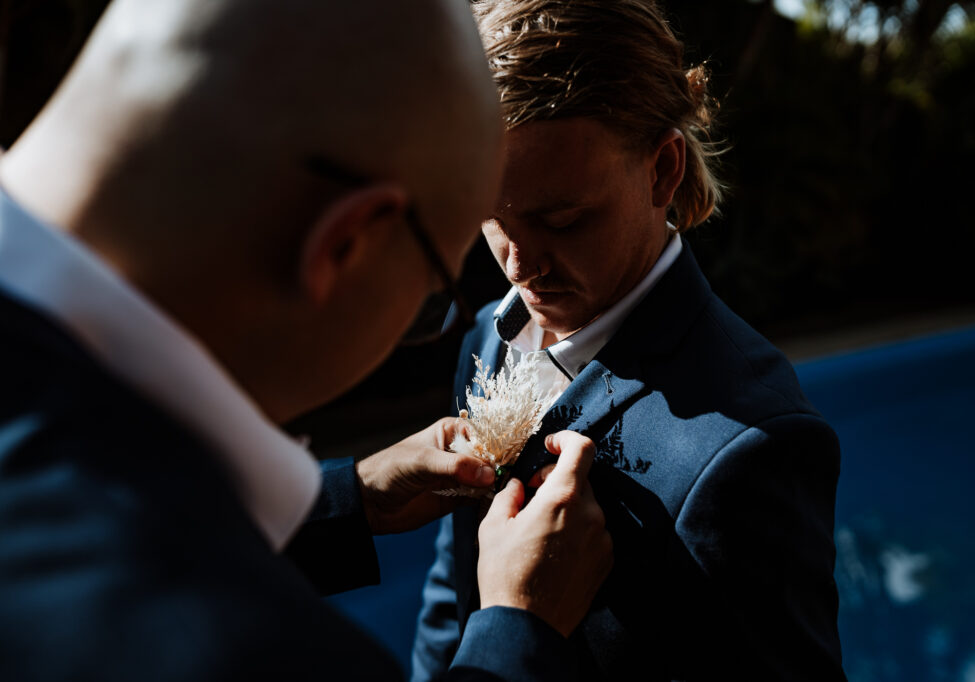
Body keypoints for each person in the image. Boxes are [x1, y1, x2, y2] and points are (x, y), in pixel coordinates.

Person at [0, 0, 613, 680]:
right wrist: (517, 638)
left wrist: (352, 501)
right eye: (436, 288)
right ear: (347, 244)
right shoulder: (251, 653)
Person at [412, 1, 846, 680]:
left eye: (564, 217)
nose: (520, 266)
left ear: (663, 170)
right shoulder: (483, 339)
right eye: (491, 214)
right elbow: (453, 598)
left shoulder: (754, 444)